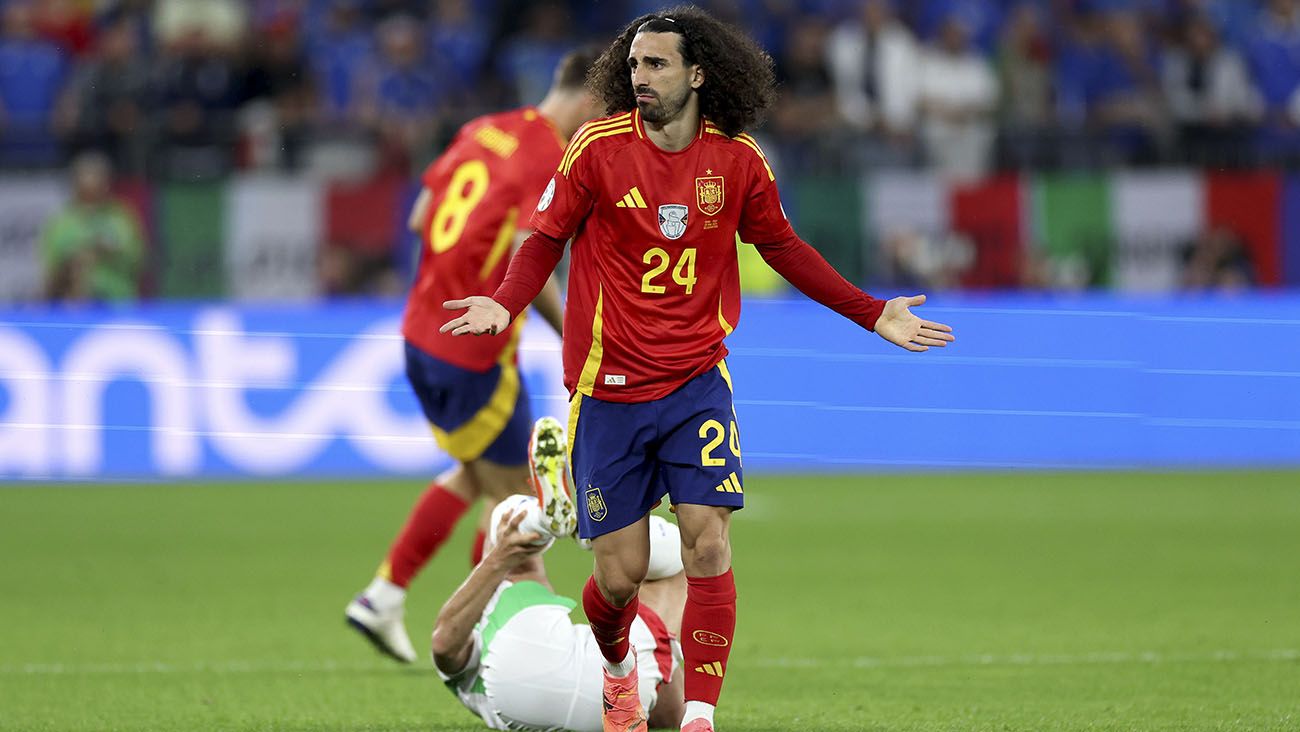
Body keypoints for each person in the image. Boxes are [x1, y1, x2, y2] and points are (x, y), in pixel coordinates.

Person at [440, 8, 954, 731]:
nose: (638, 77)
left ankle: (700, 717)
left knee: (707, 540)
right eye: (634, 64)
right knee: (616, 581)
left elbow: (783, 248)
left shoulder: (738, 161)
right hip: (608, 391)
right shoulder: (596, 148)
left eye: (655, 64)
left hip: (695, 383)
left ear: (698, 73)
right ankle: (618, 668)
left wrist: (872, 313)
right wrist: (504, 303)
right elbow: (543, 238)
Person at [346, 48, 602, 664]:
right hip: (474, 352)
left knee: (477, 473)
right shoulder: (548, 155)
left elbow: (419, 218)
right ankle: (499, 640)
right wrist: (575, 333)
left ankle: (384, 594)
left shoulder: (481, 130)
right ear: (591, 101)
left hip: (422, 334)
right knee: (518, 502)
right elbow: (527, 258)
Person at [431, 421, 686, 730]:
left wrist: (499, 559)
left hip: (521, 684)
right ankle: (592, 528)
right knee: (676, 566)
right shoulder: (482, 648)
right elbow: (671, 716)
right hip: (622, 691)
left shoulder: (472, 673)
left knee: (511, 538)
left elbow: (444, 644)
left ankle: (544, 520)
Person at [41, 151, 144, 303]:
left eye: (97, 177)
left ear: (107, 182)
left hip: (117, 305)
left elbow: (137, 259)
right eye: (86, 177)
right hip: (73, 306)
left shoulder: (121, 217)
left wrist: (106, 252)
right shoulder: (61, 222)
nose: (91, 183)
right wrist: (74, 261)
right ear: (75, 183)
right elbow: (51, 267)